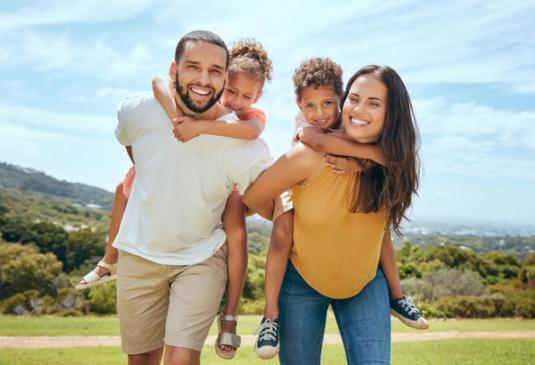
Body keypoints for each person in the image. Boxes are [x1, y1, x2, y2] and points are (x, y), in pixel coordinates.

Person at [77, 38, 273, 360]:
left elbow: (263, 179)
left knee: (182, 358)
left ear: (223, 78)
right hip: (142, 251)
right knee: (141, 358)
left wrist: (199, 128)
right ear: (175, 70)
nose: (204, 80)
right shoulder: (138, 109)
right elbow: (134, 141)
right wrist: (171, 134)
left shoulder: (245, 138)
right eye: (193, 67)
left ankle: (230, 316)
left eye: (214, 71)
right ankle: (107, 261)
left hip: (201, 254)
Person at [244, 64, 420, 364]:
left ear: (392, 114)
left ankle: (397, 296)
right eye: (355, 98)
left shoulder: (393, 163)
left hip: (365, 284)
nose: (359, 109)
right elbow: (253, 197)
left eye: (373, 103)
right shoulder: (309, 154)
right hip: (301, 285)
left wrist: (365, 160)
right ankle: (269, 317)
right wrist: (285, 218)